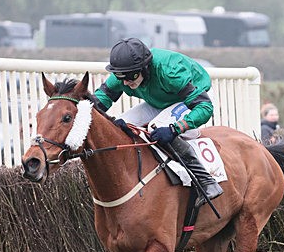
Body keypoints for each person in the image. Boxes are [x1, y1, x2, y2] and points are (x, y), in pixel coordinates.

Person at [93, 37, 223, 205]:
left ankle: (206, 181)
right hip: (159, 100)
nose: (125, 82)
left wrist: (175, 129)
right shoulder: (124, 74)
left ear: (144, 68)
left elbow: (205, 108)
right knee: (119, 124)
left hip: (194, 98)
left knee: (159, 127)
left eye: (130, 76)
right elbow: (98, 102)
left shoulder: (170, 72)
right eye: (121, 77)